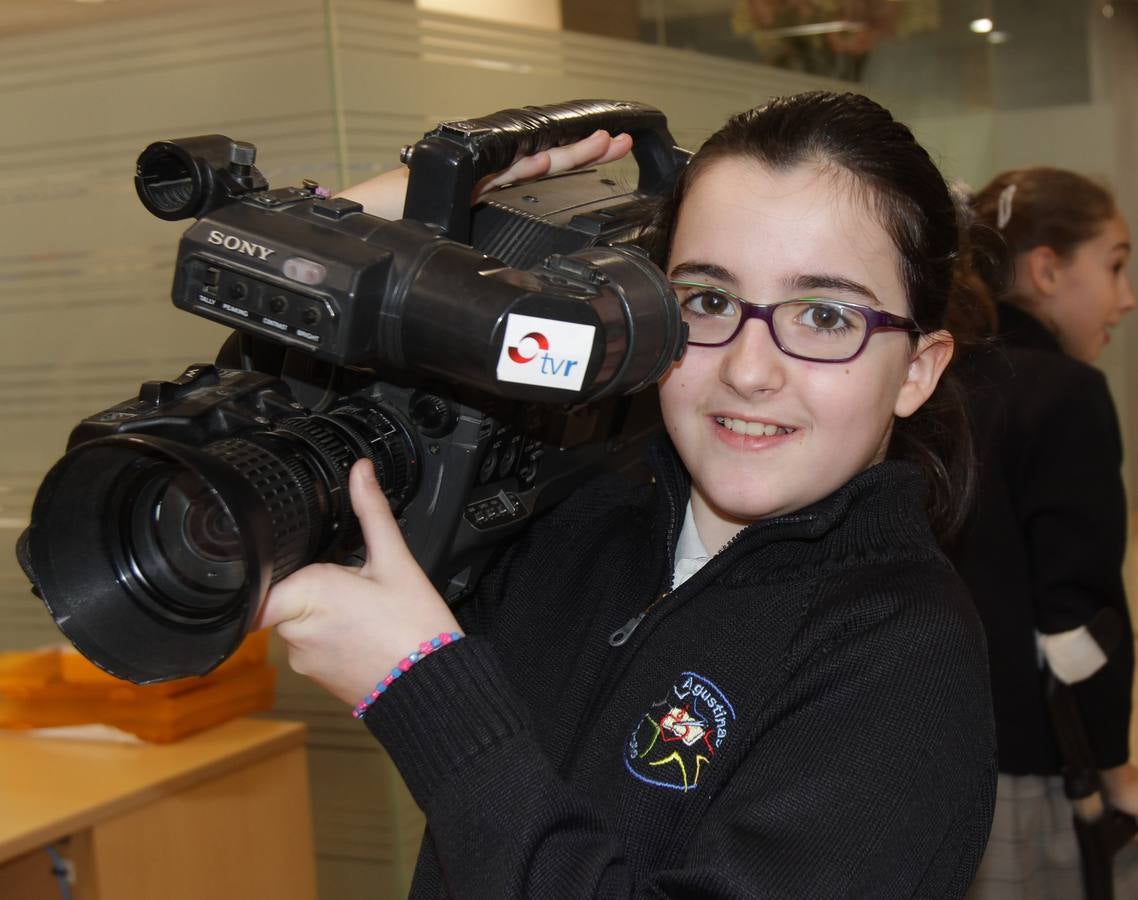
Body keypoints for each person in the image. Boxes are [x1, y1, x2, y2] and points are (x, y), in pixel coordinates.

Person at [257, 92, 997, 897]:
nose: (750, 371)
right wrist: (416, 203)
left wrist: (423, 687)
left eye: (822, 316)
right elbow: (275, 427)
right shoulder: (571, 517)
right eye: (708, 301)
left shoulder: (904, 654)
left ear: (917, 370)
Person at [950, 167, 1137, 898]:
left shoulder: (940, 374)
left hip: (928, 745)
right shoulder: (1067, 395)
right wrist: (1115, 768)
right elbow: (1079, 616)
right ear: (1048, 269)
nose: (1126, 298)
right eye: (1116, 265)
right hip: (1030, 762)